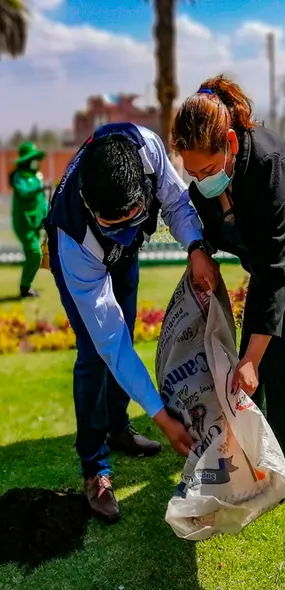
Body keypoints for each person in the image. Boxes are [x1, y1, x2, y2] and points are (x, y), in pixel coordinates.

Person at [172, 76, 285, 477]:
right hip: (269, 268)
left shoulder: (271, 166)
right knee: (247, 364)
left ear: (232, 145)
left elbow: (278, 264)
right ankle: (254, 451)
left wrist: (253, 359)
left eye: (207, 169)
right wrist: (198, 251)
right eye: (192, 172)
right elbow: (222, 237)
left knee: (276, 366)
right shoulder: (206, 185)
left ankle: (277, 470)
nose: (201, 180)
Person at [45, 123, 212, 522]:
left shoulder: (148, 150)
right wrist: (162, 417)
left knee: (130, 326)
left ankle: (118, 428)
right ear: (88, 202)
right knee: (94, 355)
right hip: (86, 259)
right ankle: (94, 467)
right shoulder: (75, 239)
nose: (120, 232)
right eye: (110, 224)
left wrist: (195, 247)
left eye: (131, 219)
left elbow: (175, 205)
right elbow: (112, 344)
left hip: (123, 258)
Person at [10, 142, 50, 298]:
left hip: (35, 222)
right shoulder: (19, 177)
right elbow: (24, 192)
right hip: (24, 223)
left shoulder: (35, 177)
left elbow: (40, 201)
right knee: (35, 253)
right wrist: (39, 187)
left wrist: (47, 216)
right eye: (33, 159)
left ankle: (26, 287)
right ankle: (25, 288)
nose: (36, 162)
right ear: (26, 160)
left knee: (34, 255)